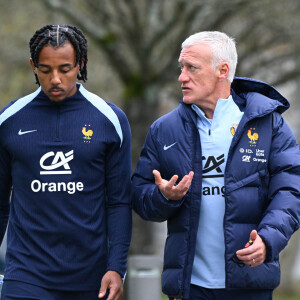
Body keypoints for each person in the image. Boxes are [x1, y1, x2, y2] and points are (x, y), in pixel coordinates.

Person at [131, 31, 300, 300]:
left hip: (249, 283)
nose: (181, 77)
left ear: (222, 71)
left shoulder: (268, 124)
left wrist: (268, 241)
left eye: (191, 68)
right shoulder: (164, 130)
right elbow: (140, 197)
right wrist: (164, 197)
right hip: (189, 287)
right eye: (181, 67)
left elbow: (290, 192)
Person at [0, 24, 132, 300]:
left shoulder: (110, 120)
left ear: (80, 64)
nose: (55, 79)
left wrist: (117, 267)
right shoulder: (9, 120)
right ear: (33, 66)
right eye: (46, 70)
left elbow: (119, 201)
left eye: (65, 69)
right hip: (25, 275)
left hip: (91, 278)